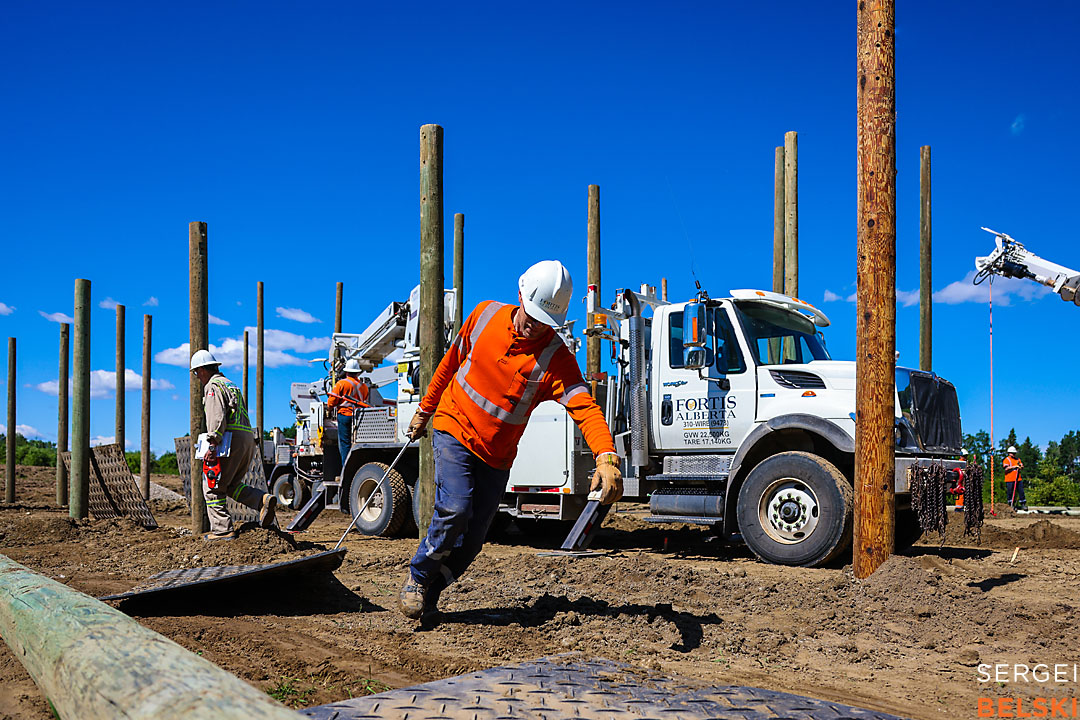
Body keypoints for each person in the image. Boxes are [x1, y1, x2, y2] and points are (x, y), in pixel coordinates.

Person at [399, 259, 623, 620]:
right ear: (520, 295)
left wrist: (606, 456)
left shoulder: (556, 359)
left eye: (546, 322)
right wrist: (425, 410)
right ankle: (418, 576)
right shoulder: (484, 315)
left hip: (496, 456)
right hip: (453, 426)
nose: (536, 328)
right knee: (456, 507)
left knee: (473, 541)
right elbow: (450, 363)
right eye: (532, 315)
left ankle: (430, 591)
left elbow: (585, 407)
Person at [190, 350, 277, 541]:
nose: (197, 377)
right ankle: (261, 500)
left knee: (212, 487)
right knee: (230, 485)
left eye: (196, 373)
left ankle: (222, 530)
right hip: (247, 439)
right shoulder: (231, 384)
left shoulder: (213, 386)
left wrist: (212, 445)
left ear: (203, 370)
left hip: (229, 441)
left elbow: (216, 416)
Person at [327, 358, 371, 463]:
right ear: (358, 372)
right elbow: (364, 400)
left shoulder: (341, 384)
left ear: (346, 371)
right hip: (359, 417)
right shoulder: (364, 386)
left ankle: (345, 468)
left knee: (345, 444)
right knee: (357, 442)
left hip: (345, 415)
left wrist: (329, 409)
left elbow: (331, 402)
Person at [1003, 445, 1026, 510]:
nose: (1013, 454)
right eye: (1012, 453)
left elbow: (1021, 466)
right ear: (1009, 453)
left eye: (1014, 453)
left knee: (1021, 491)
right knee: (1010, 492)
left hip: (1018, 478)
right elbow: (1006, 468)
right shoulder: (1006, 460)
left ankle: (1023, 504)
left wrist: (1021, 466)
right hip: (1010, 479)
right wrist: (1015, 467)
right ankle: (1011, 504)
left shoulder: (1018, 459)